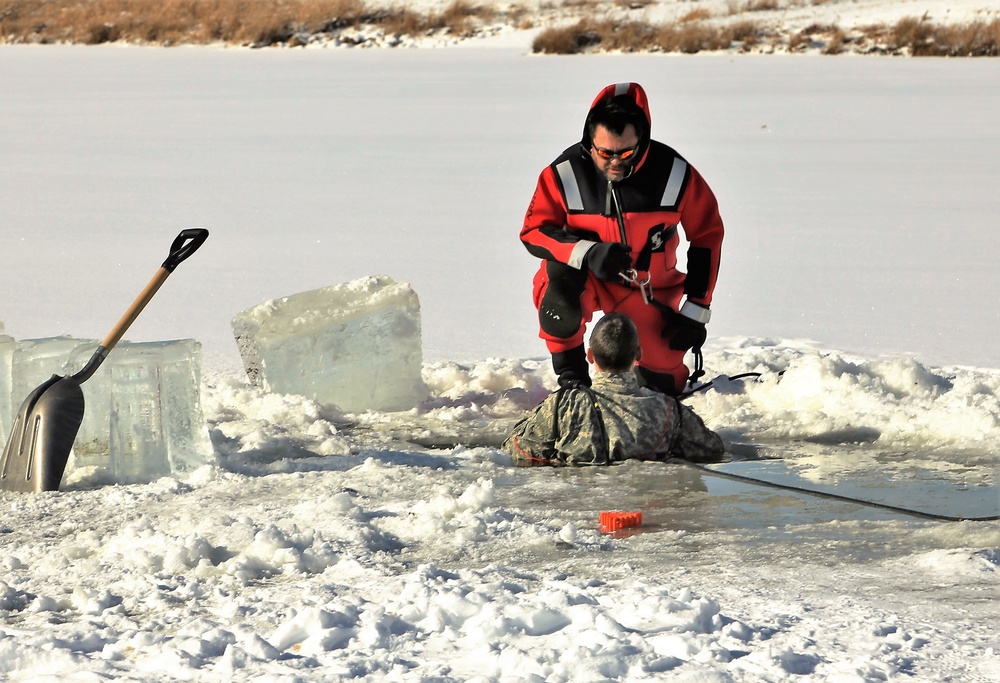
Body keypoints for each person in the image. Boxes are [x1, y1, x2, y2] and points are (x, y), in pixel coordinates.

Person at [521, 82, 725, 395]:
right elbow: (534, 231)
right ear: (590, 141)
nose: (615, 161)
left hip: (650, 289)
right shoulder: (564, 173)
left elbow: (707, 235)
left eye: (626, 152)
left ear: (642, 141)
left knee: (663, 388)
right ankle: (573, 386)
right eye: (604, 153)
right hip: (587, 279)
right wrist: (587, 253)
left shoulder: (676, 174)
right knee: (558, 290)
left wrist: (697, 310)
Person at [502, 313, 724, 466]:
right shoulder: (668, 409)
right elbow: (712, 449)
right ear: (638, 354)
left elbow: (518, 450)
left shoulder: (563, 406)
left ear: (589, 356)